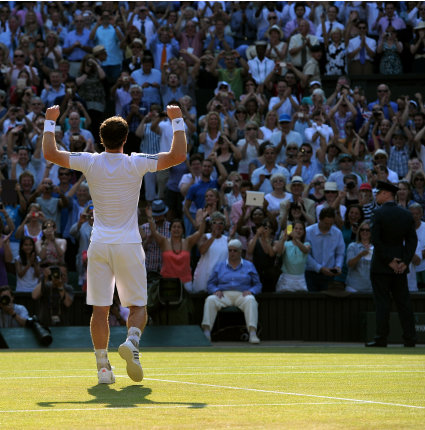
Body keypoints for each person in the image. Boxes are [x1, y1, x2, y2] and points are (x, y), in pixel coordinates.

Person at [42, 104, 187, 384]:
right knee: (137, 306)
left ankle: (103, 369)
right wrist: (177, 120)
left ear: (101, 139)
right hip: (129, 244)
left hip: (99, 245)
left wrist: (50, 122)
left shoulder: (90, 161)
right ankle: (132, 342)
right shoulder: (136, 161)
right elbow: (178, 155)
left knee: (100, 310)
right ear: (125, 139)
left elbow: (50, 153)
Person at [367, 181, 418, 347]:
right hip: (400, 266)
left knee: (382, 303)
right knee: (404, 303)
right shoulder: (406, 214)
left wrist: (389, 260)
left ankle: (381, 338)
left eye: (378, 193)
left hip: (382, 266)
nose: (376, 195)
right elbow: (412, 241)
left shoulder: (378, 214)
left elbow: (376, 240)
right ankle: (410, 339)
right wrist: (404, 261)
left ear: (385, 194)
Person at [201, 239, 262, 344]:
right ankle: (207, 333)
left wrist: (251, 291)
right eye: (230, 250)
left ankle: (252, 333)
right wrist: (215, 290)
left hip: (242, 295)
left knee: (251, 300)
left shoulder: (249, 265)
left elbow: (258, 284)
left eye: (235, 251)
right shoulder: (219, 266)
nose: (232, 253)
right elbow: (210, 284)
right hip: (224, 295)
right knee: (210, 300)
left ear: (240, 252)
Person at [192, 211, 228, 294]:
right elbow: (202, 250)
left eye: (221, 223)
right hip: (204, 275)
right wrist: (213, 237)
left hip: (221, 277)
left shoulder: (227, 239)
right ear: (211, 225)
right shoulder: (204, 236)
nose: (218, 225)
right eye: (215, 223)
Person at [274, 221, 310, 292]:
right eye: (296, 228)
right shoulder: (286, 244)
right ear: (292, 230)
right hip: (286, 279)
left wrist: (295, 238)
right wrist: (283, 238)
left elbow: (305, 250)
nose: (298, 231)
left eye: (300, 229)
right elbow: (279, 252)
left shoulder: (306, 244)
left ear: (304, 231)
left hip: (301, 280)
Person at [346, 220, 374, 293]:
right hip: (353, 288)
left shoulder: (376, 248)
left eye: (367, 230)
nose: (365, 232)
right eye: (362, 229)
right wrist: (360, 255)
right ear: (359, 231)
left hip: (371, 288)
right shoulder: (352, 246)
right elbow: (349, 264)